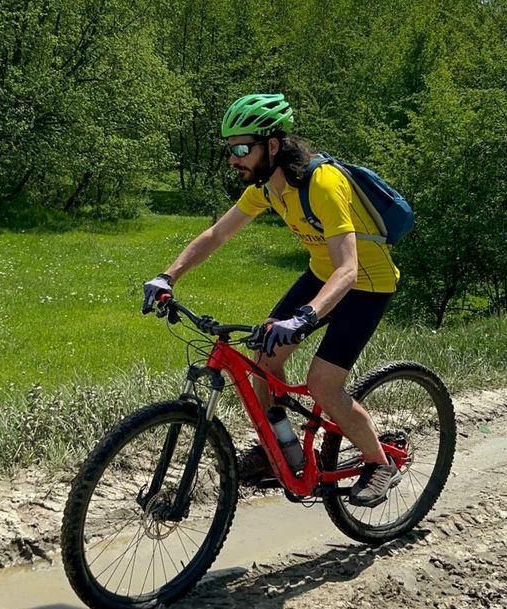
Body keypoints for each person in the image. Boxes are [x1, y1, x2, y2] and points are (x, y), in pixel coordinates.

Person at [142, 93, 400, 505]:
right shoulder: (267, 188)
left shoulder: (323, 185)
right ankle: (276, 449)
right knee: (262, 361)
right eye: (230, 150)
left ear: (273, 146)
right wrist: (167, 275)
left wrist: (304, 317)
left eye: (243, 149)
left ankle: (378, 461)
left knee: (323, 385)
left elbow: (349, 270)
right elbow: (217, 234)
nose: (234, 159)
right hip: (321, 275)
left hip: (366, 285)